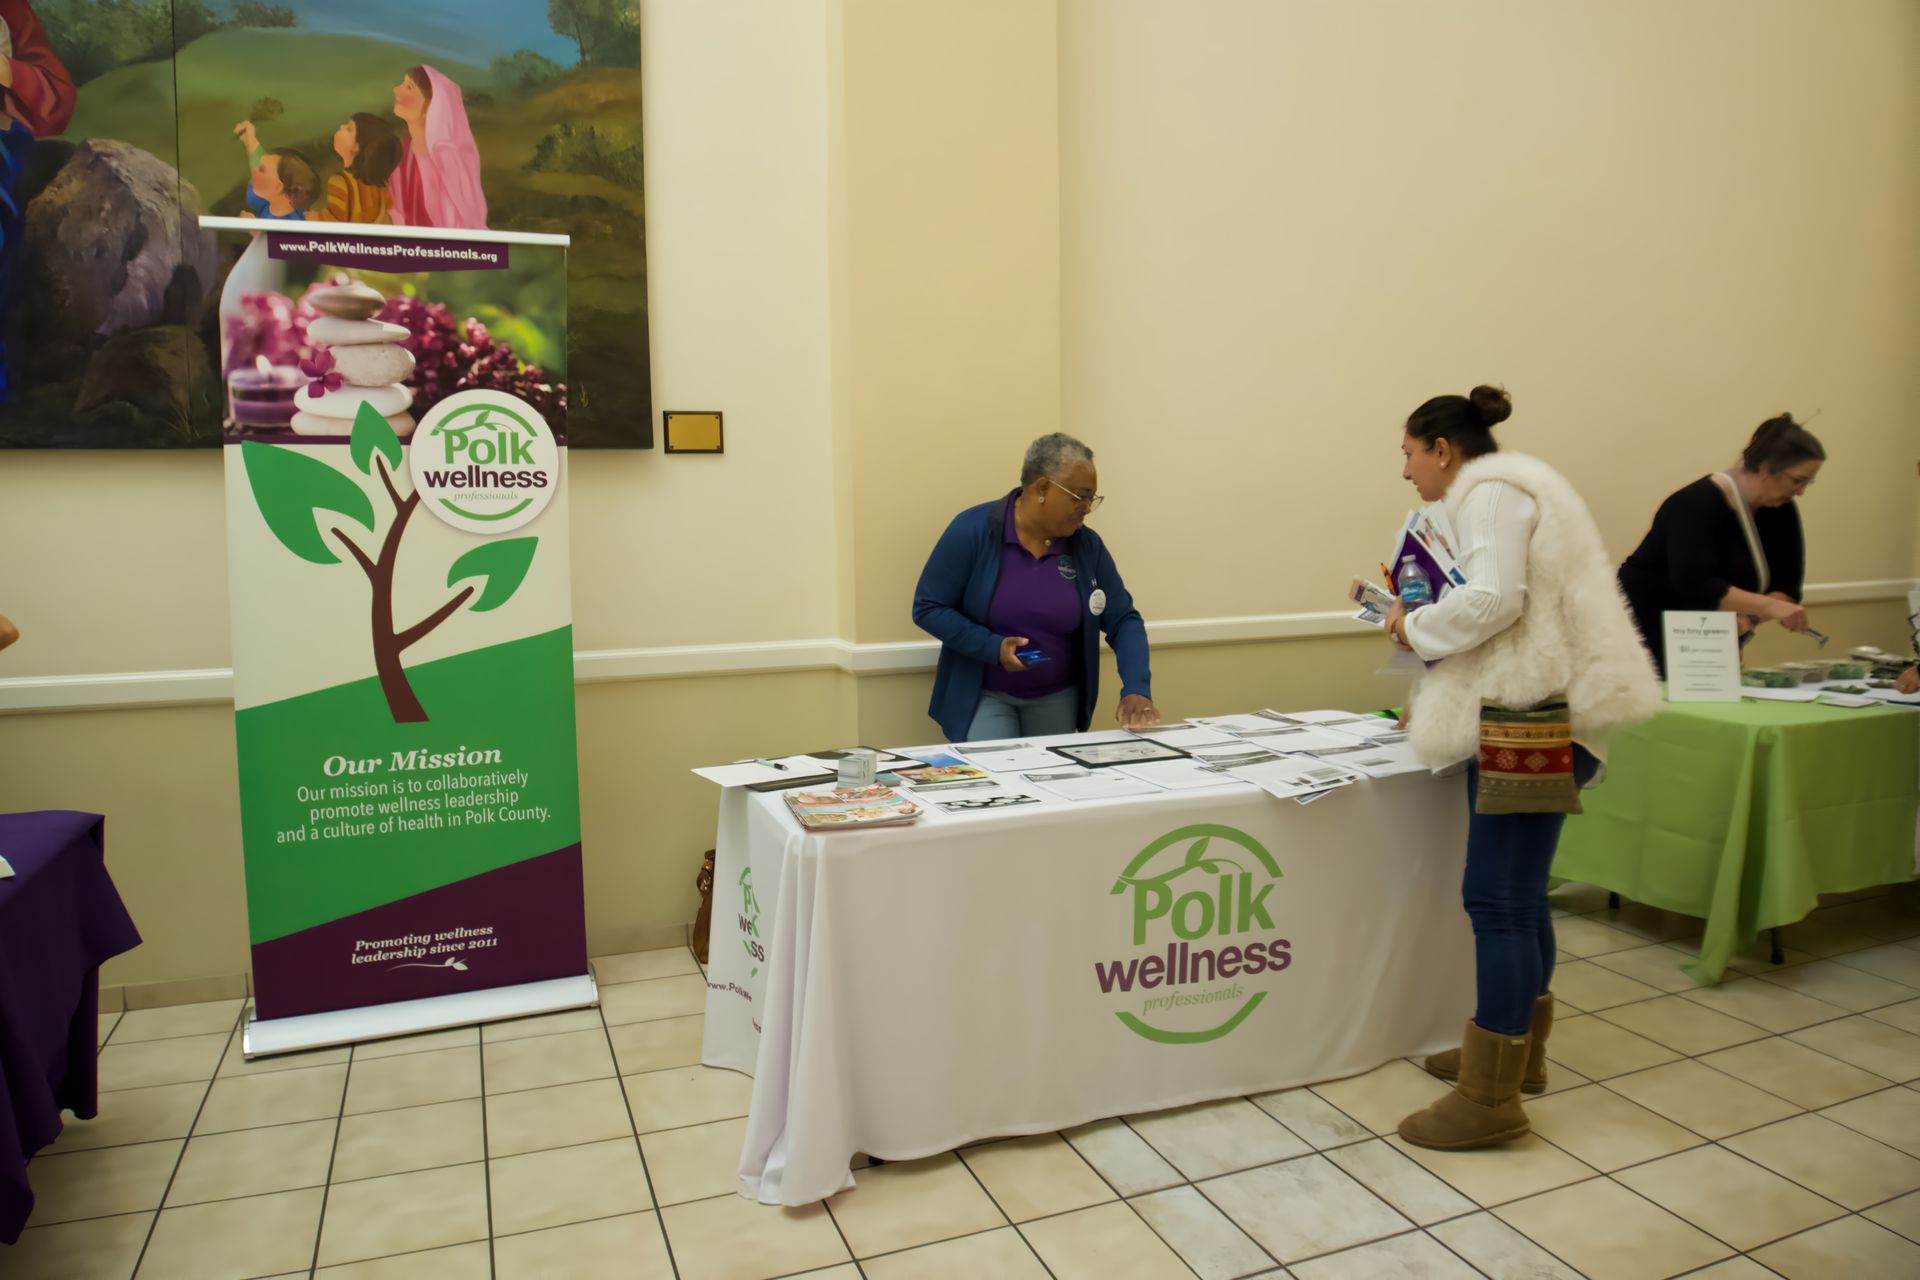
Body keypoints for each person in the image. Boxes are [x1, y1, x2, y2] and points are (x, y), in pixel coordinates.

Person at [1381, 386, 1658, 1151]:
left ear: (1443, 450)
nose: (1405, 471)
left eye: (1409, 453)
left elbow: (1495, 601)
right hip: (1545, 713)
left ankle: (1490, 1094)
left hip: (1530, 714)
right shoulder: (1517, 490)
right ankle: (1515, 1055)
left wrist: (1413, 624)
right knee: (1522, 897)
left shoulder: (1489, 491)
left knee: (1496, 899)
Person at [913, 432, 1158, 741]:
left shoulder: (1086, 546)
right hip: (984, 693)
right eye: (1079, 497)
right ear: (1042, 488)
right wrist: (991, 646)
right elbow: (929, 607)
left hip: (1057, 697)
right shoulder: (973, 530)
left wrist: (1136, 687)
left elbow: (1123, 620)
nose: (1086, 507)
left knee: (1054, 771)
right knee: (999, 769)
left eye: (1092, 498)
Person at [1617, 415, 1825, 673]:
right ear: (1764, 468)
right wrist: (1770, 607)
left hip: (1709, 638)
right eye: (1797, 480)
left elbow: (1787, 585)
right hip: (1649, 631)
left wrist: (1749, 619)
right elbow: (1698, 585)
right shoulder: (1693, 504)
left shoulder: (1781, 509)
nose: (1801, 491)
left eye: (1808, 482)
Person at [389, 66, 487, 229]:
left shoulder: (446, 156)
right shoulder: (402, 150)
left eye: (409, 87)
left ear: (432, 104)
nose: (396, 89)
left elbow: (459, 223)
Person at [309, 113, 403, 225]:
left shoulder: (339, 182)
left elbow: (334, 220)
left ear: (357, 147)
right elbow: (388, 206)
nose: (341, 126)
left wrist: (311, 216)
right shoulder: (380, 183)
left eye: (348, 129)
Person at [232, 122, 318, 221]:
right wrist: (249, 137)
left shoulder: (291, 222)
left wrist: (254, 227)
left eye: (261, 169)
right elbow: (259, 159)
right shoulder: (269, 195)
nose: (255, 168)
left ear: (278, 186)